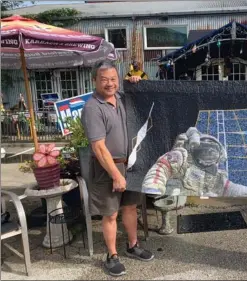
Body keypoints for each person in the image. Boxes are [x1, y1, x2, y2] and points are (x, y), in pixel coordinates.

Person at [81, 60, 154, 277]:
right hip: (108, 168)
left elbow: (146, 100)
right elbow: (98, 147)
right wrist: (116, 175)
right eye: (104, 79)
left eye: (113, 79)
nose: (109, 83)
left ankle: (133, 245)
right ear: (94, 80)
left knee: (131, 207)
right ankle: (111, 256)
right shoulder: (93, 108)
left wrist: (137, 82)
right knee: (110, 214)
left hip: (130, 165)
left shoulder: (122, 98)